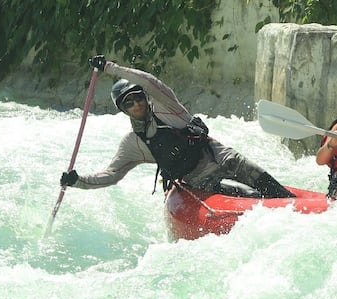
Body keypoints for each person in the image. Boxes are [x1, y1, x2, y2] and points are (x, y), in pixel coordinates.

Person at [60, 55, 295, 198]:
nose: (137, 104)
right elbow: (111, 175)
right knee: (250, 195)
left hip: (224, 158)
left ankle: (290, 201)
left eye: (138, 97)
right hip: (202, 180)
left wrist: (111, 68)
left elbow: (148, 81)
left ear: (145, 97)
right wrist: (78, 181)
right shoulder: (134, 143)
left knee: (272, 189)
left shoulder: (168, 107)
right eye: (128, 103)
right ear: (123, 110)